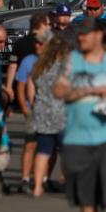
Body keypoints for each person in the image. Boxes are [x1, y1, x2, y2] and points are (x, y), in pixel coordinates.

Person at [52, 17, 106, 212]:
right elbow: (58, 90)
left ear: (99, 36)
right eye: (79, 33)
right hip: (77, 138)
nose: (81, 37)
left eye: (85, 33)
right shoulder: (72, 60)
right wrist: (90, 90)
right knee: (85, 196)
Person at [29, 32, 69, 197]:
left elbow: (33, 90)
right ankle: (66, 180)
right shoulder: (63, 67)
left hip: (42, 112)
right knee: (67, 151)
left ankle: (38, 186)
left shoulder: (39, 66)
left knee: (43, 151)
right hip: (61, 114)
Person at [14, 29, 42, 193]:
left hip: (50, 110)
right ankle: (25, 178)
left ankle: (41, 179)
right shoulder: (29, 61)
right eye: (36, 43)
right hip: (33, 109)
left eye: (41, 44)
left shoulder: (54, 60)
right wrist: (24, 106)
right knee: (31, 144)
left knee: (46, 148)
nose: (38, 46)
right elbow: (21, 85)